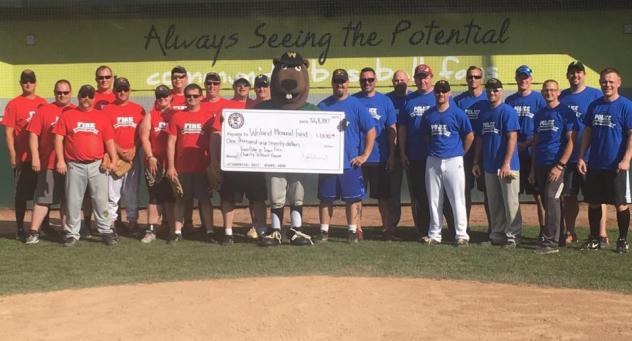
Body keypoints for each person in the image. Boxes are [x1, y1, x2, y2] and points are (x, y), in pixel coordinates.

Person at [254, 51, 316, 246]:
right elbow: (247, 126)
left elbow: (327, 128)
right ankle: (276, 230)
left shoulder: (310, 110)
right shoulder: (264, 108)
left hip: (300, 159)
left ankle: (296, 229)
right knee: (275, 192)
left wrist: (339, 126)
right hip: (274, 158)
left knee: (297, 193)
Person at [54, 84, 119, 246]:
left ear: (94, 98)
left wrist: (114, 158)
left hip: (97, 165)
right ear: (78, 97)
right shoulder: (68, 115)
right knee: (73, 201)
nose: (87, 99)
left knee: (101, 200)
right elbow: (59, 139)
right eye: (84, 95)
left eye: (90, 96)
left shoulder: (101, 116)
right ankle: (72, 233)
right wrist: (61, 160)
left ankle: (105, 230)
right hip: (75, 165)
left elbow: (109, 140)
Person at [317, 69, 376, 243]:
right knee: (326, 199)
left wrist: (365, 154)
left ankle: (351, 232)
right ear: (332, 84)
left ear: (348, 83)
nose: (339, 84)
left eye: (342, 81)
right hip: (328, 163)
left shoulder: (357, 105)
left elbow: (371, 130)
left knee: (352, 200)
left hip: (350, 163)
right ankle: (324, 232)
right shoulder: (322, 106)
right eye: (336, 81)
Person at [578, 67, 632, 253]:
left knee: (620, 204)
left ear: (618, 83)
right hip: (595, 163)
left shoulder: (626, 106)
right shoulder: (595, 106)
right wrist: (582, 157)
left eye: (610, 81)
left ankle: (622, 240)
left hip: (616, 165)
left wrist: (626, 159)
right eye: (604, 81)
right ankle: (594, 239)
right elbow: (588, 132)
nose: (607, 84)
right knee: (594, 201)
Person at [399, 64, 453, 239]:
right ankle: (424, 231)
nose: (423, 80)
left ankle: (453, 231)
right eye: (419, 77)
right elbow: (403, 128)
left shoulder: (439, 96)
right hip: (415, 156)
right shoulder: (409, 100)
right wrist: (402, 151)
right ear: (414, 79)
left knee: (445, 194)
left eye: (426, 77)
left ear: (431, 77)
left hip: (438, 155)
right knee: (421, 196)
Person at [559, 61, 606, 246]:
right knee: (569, 196)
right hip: (569, 157)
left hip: (590, 158)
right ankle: (570, 231)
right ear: (567, 75)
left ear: (584, 74)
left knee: (596, 196)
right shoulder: (562, 97)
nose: (575, 76)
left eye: (578, 72)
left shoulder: (596, 96)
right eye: (571, 73)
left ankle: (601, 233)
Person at [528, 80, 577, 254]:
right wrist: (533, 169)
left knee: (552, 199)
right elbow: (536, 143)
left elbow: (571, 141)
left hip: (556, 165)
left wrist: (560, 165)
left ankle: (550, 242)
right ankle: (560, 236)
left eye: (552, 90)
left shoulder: (565, 113)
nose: (549, 93)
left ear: (558, 92)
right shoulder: (539, 114)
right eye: (546, 90)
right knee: (547, 201)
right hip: (541, 163)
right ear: (542, 92)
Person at [422, 80, 473, 246]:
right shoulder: (429, 114)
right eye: (438, 91)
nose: (440, 94)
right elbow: (427, 136)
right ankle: (435, 234)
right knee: (434, 199)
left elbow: (469, 136)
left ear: (449, 93)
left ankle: (461, 235)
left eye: (444, 91)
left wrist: (460, 153)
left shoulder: (458, 113)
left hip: (454, 160)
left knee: (457, 198)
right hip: (433, 160)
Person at [472, 78, 522, 248]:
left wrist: (506, 163)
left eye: (495, 90)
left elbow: (512, 138)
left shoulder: (507, 111)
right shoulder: (484, 112)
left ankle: (513, 236)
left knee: (510, 203)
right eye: (489, 90)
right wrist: (476, 161)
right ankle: (497, 235)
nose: (492, 93)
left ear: (501, 91)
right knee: (495, 204)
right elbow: (479, 138)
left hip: (507, 166)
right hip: (489, 165)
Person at [24, 80, 75, 244]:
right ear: (54, 93)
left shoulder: (76, 111)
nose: (62, 95)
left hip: (72, 165)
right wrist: (36, 157)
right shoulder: (44, 110)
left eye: (65, 92)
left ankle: (67, 231)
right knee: (43, 199)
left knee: (67, 200)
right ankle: (33, 231)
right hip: (49, 163)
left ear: (71, 93)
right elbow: (33, 135)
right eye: (59, 92)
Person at [166, 84, 216, 244]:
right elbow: (171, 143)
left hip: (203, 167)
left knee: (205, 200)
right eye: (188, 96)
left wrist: (214, 164)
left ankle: (209, 231)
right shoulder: (177, 117)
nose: (192, 99)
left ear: (201, 97)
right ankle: (177, 232)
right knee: (180, 199)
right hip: (183, 167)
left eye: (195, 96)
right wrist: (171, 166)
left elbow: (215, 141)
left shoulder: (209, 117)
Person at [1, 69, 47, 240]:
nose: (28, 84)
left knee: (43, 194)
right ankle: (20, 227)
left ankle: (44, 226)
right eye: (25, 81)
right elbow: (8, 132)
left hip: (41, 158)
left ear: (36, 83)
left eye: (31, 81)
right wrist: (13, 155)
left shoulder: (43, 103)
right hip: (24, 158)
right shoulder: (14, 104)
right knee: (22, 194)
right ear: (21, 83)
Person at [353, 67, 397, 240]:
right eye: (364, 80)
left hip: (380, 157)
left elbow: (392, 129)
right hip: (358, 158)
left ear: (376, 81)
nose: (367, 83)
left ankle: (386, 228)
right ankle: (357, 228)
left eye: (370, 80)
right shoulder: (353, 101)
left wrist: (392, 155)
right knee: (357, 197)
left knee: (383, 198)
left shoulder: (385, 101)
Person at [505, 65, 546, 237]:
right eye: (521, 77)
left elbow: (543, 128)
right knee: (512, 196)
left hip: (532, 153)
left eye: (526, 77)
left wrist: (527, 143)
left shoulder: (539, 100)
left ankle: (544, 230)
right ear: (516, 78)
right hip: (514, 155)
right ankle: (513, 231)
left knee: (539, 195)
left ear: (531, 79)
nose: (523, 80)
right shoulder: (510, 101)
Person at [102, 77, 145, 236]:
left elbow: (143, 133)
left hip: (133, 157)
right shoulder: (107, 110)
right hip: (115, 156)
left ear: (130, 90)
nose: (122, 92)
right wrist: (119, 151)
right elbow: (106, 134)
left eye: (125, 89)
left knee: (131, 191)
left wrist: (135, 148)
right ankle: (110, 223)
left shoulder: (139, 109)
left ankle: (133, 222)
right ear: (114, 91)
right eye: (119, 89)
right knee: (112, 194)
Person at [454, 66, 491, 230]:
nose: (473, 80)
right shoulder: (459, 101)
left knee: (490, 194)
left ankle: (493, 228)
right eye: (470, 77)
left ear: (482, 79)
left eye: (476, 77)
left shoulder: (489, 98)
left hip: (486, 153)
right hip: (465, 153)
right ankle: (464, 228)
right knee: (463, 192)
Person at [139, 85, 176, 243]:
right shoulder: (151, 115)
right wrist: (150, 156)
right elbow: (144, 137)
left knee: (170, 196)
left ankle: (171, 228)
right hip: (154, 162)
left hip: (171, 162)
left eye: (165, 96)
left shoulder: (176, 115)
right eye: (159, 97)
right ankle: (151, 229)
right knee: (154, 196)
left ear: (170, 97)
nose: (162, 99)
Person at [385, 70, 411, 230]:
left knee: (418, 193)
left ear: (408, 80)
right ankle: (391, 226)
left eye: (402, 80)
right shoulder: (387, 100)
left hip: (413, 153)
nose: (399, 83)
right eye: (396, 80)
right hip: (393, 153)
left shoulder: (413, 99)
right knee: (392, 193)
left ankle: (422, 227)